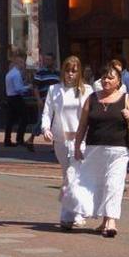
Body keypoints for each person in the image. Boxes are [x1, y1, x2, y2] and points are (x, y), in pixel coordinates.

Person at [73, 62, 129, 238]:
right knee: (96, 184)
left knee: (114, 184)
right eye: (104, 77)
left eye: (111, 77)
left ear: (118, 82)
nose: (106, 80)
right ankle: (103, 219)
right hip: (94, 149)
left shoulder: (126, 99)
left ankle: (111, 220)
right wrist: (77, 146)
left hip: (118, 150)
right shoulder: (92, 98)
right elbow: (83, 125)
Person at [39, 55, 91, 229]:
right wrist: (45, 129)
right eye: (68, 71)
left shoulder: (87, 91)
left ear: (79, 73)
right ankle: (71, 214)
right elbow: (47, 112)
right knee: (67, 176)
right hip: (61, 140)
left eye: (74, 71)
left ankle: (72, 214)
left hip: (80, 140)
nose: (70, 74)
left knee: (72, 176)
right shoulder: (54, 90)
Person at [3, 54, 35, 150]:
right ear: (18, 63)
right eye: (22, 62)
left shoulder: (9, 73)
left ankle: (7, 139)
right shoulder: (16, 74)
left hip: (10, 97)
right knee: (25, 118)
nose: (23, 64)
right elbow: (18, 89)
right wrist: (28, 87)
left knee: (10, 120)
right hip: (16, 98)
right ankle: (19, 138)